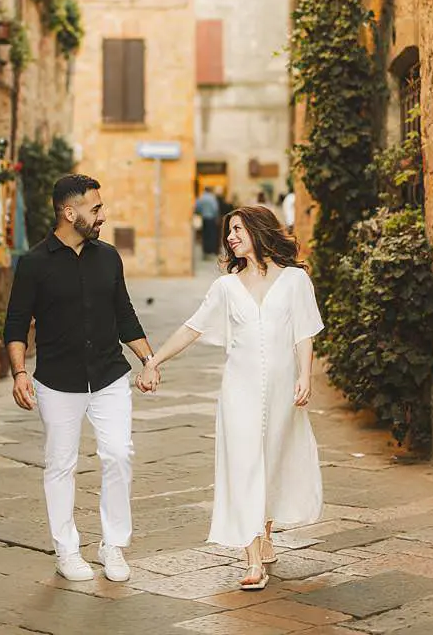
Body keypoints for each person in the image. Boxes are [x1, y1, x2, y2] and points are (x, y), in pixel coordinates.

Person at [137, 205, 324, 591]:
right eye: (229, 231)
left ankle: (266, 530)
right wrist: (153, 361)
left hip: (283, 389)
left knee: (273, 460)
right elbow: (192, 328)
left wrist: (305, 375)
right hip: (238, 390)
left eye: (237, 229)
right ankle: (252, 558)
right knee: (243, 465)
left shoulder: (294, 281)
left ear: (258, 230)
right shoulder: (226, 287)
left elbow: (304, 332)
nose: (231, 237)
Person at [3, 173, 156, 584]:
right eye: (96, 208)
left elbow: (125, 314)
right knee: (60, 465)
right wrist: (20, 373)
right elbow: (16, 324)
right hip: (56, 381)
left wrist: (148, 359)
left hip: (109, 376)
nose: (103, 215)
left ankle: (113, 545)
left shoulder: (108, 257)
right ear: (70, 213)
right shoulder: (34, 264)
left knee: (119, 454)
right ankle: (66, 551)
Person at [194, 186, 221, 261]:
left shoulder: (201, 197)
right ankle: (210, 251)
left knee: (204, 235)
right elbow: (215, 208)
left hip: (204, 219)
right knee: (211, 235)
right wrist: (216, 217)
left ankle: (205, 251)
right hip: (211, 219)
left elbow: (197, 208)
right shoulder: (212, 198)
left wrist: (201, 212)